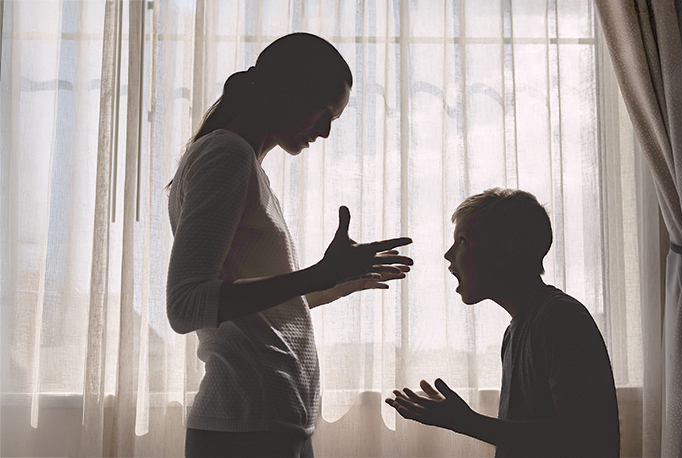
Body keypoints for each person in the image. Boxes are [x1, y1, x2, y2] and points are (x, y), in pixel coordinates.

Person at [167, 32, 413, 458]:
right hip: (247, 421)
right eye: (325, 113)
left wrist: (336, 282)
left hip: (271, 418)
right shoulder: (226, 155)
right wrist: (318, 273)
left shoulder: (243, 162)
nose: (325, 132)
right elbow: (187, 305)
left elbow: (255, 308)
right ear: (288, 92)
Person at [385, 188, 619, 458]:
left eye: (461, 240)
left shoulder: (560, 319)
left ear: (503, 253)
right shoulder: (518, 329)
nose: (448, 255)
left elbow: (580, 438)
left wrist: (464, 421)